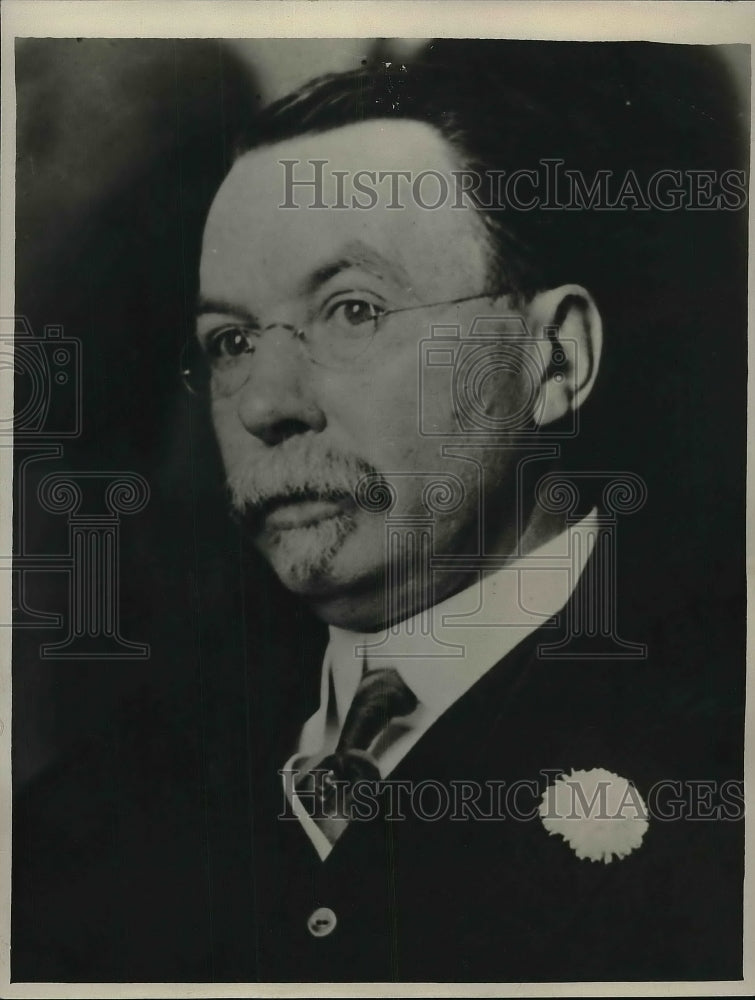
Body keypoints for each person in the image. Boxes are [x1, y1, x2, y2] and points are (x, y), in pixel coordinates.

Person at [13, 43, 744, 984]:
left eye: (353, 311)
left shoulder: (719, 750)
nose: (264, 402)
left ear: (553, 360)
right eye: (229, 340)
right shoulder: (94, 816)